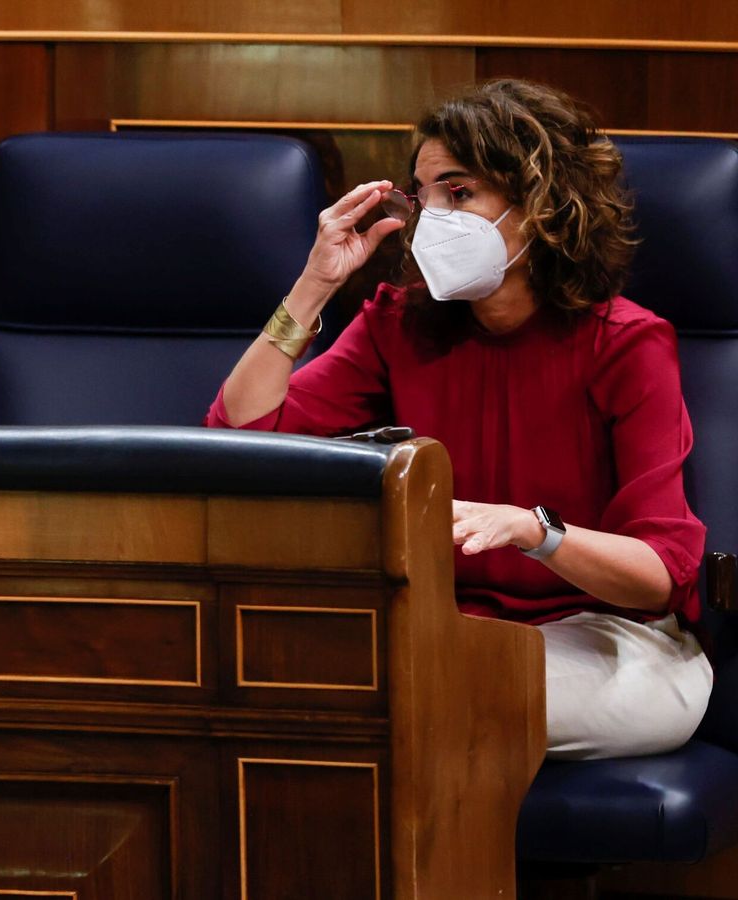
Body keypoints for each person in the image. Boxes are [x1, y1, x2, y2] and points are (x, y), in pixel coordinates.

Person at [206, 79, 712, 760]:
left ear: (540, 205)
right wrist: (315, 285)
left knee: (428, 695)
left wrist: (534, 531)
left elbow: (661, 573)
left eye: (460, 192)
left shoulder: (626, 343)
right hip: (441, 629)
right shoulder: (398, 322)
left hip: (603, 636)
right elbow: (240, 436)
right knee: (352, 677)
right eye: (426, 196)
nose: (433, 218)